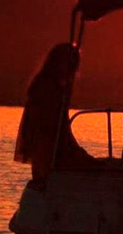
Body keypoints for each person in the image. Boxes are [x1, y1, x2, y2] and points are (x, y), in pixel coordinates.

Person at [14, 43, 95, 183]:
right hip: (48, 148)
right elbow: (48, 127)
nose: (73, 70)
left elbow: (61, 128)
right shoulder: (46, 87)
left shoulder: (52, 86)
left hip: (53, 146)